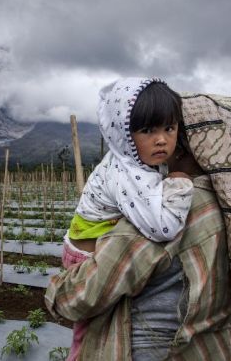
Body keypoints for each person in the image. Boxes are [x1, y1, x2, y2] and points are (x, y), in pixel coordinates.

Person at [46, 80, 231, 360]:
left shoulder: (167, 210)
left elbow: (81, 298)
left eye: (174, 131)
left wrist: (56, 293)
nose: (167, 143)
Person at [62, 78, 194, 361]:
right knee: (91, 331)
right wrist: (180, 184)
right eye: (147, 130)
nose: (161, 139)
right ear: (123, 133)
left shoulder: (138, 161)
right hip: (85, 259)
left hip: (96, 244)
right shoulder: (127, 173)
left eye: (169, 128)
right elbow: (163, 227)